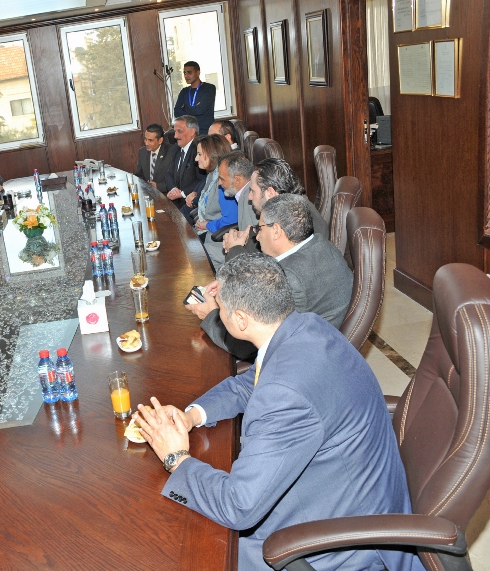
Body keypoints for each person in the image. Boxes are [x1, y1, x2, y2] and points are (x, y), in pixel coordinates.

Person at [135, 254, 423, 571]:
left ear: (240, 320)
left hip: (341, 537)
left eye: (221, 308)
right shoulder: (307, 327)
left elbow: (238, 507)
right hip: (341, 485)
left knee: (182, 547)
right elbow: (251, 383)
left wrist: (176, 459)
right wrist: (192, 415)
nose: (218, 313)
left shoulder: (285, 395)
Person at [190, 194, 353, 356]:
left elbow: (245, 344)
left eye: (260, 228)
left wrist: (210, 315)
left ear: (276, 231)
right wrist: (229, 285)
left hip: (301, 355)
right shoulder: (321, 244)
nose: (257, 236)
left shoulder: (291, 279)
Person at [223, 157, 328, 259]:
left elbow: (267, 269)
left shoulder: (297, 223)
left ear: (270, 193)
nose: (249, 197)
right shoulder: (289, 210)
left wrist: (234, 249)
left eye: (253, 191)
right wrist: (246, 238)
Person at [193, 135, 235, 245]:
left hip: (216, 238)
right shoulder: (212, 174)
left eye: (199, 154)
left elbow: (231, 219)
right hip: (205, 230)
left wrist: (207, 225)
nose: (196, 159)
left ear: (213, 154)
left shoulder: (223, 181)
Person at [164, 116, 205, 211]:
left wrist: (182, 194)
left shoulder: (198, 150)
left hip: (192, 203)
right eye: (175, 131)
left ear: (192, 131)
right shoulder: (176, 148)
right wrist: (173, 189)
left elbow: (202, 180)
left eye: (180, 131)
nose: (175, 136)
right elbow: (169, 173)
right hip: (175, 201)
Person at [173, 61, 216, 135]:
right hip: (188, 131)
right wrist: (194, 109)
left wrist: (185, 108)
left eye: (189, 72)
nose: (186, 76)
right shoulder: (184, 91)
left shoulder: (209, 88)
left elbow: (200, 110)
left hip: (205, 131)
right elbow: (176, 112)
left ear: (198, 73)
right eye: (184, 73)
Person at [133, 124, 177, 193]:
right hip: (147, 192)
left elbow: (176, 179)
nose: (146, 143)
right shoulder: (142, 152)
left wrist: (158, 186)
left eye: (150, 140)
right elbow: (139, 175)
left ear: (160, 140)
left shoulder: (172, 152)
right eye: (145, 139)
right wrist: (145, 185)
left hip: (166, 194)